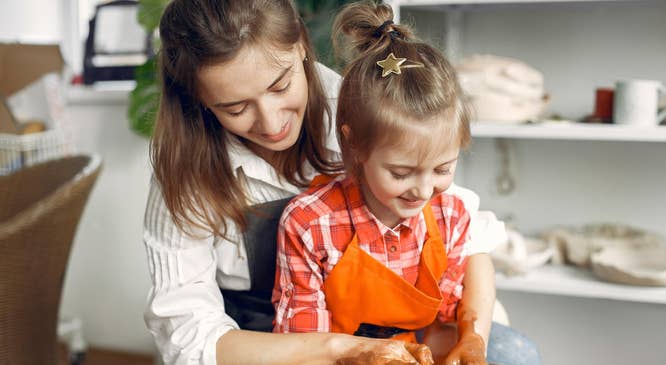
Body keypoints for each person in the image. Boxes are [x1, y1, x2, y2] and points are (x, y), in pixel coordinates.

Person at [143, 0, 540, 364]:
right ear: (199, 99)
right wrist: (340, 349)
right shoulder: (186, 167)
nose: (270, 121)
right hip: (262, 341)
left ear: (301, 44)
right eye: (236, 107)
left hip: (387, 326)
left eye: (280, 86)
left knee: (513, 354)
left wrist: (472, 334)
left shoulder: (365, 108)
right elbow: (185, 330)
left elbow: (460, 229)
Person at [271, 3, 541, 365]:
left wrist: (471, 339)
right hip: (339, 356)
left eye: (443, 169)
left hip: (417, 349)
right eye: (401, 174)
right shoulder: (310, 223)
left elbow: (448, 316)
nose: (424, 190)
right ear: (354, 144)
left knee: (517, 354)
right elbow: (305, 343)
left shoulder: (449, 215)